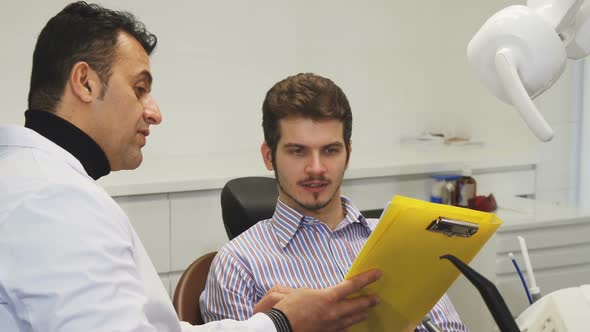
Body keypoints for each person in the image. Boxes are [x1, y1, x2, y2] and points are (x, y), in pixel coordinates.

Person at [0, 3, 382, 332]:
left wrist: (263, 323)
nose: (154, 112)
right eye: (139, 89)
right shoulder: (52, 200)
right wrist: (280, 324)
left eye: (330, 150)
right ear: (84, 82)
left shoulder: (39, 183)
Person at [200, 73, 469, 331]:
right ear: (269, 156)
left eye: (330, 150)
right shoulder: (238, 265)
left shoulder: (399, 242)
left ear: (348, 153)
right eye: (298, 151)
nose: (316, 168)